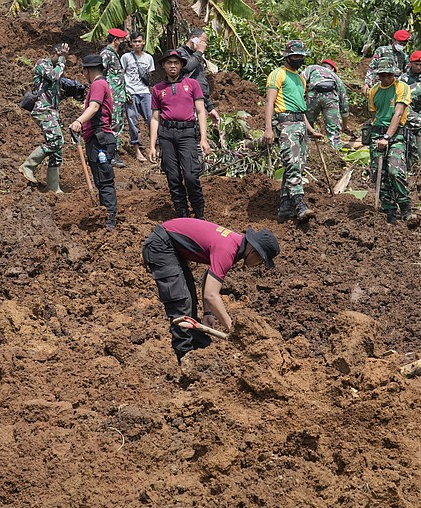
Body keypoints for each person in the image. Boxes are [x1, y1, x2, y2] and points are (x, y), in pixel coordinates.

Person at [142, 218, 280, 366]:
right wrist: (233, 329)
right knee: (181, 305)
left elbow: (209, 279)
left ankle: (201, 352)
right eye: (261, 261)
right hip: (162, 245)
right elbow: (211, 295)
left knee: (190, 301)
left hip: (173, 248)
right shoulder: (228, 249)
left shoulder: (234, 244)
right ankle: (186, 362)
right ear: (254, 251)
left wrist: (208, 314)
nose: (258, 265)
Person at [264, 40, 324, 223]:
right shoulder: (277, 75)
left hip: (299, 124)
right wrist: (267, 128)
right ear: (287, 57)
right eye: (295, 56)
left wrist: (311, 130)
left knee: (298, 166)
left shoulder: (300, 80)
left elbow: (301, 109)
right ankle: (299, 205)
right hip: (286, 124)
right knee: (292, 165)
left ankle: (285, 207)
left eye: (301, 56)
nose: (298, 59)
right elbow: (269, 102)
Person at [148, 50, 211, 219]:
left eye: (176, 62)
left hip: (187, 133)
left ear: (182, 65)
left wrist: (203, 138)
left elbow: (201, 111)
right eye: (169, 63)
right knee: (173, 177)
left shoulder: (192, 84)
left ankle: (199, 213)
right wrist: (152, 145)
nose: (173, 66)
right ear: (163, 66)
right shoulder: (157, 89)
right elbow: (155, 118)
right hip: (167, 134)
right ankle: (182, 213)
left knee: (191, 175)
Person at [69, 54, 118, 229]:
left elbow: (94, 107)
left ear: (87, 70)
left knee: (104, 180)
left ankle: (110, 220)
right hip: (97, 138)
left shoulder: (98, 84)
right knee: (100, 179)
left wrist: (78, 121)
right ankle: (106, 215)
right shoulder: (101, 84)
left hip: (100, 139)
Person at [367, 58, 413, 225]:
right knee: (379, 174)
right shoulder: (373, 91)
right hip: (376, 135)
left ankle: (405, 207)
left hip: (395, 136)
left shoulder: (402, 87)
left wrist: (387, 137)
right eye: (382, 75)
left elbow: (398, 113)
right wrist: (378, 136)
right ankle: (389, 210)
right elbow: (374, 115)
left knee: (395, 171)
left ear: (394, 74)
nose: (386, 78)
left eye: (388, 75)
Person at [19, 42, 70, 192]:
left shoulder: (56, 68)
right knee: (56, 141)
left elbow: (55, 92)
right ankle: (27, 166)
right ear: (55, 51)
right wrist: (62, 60)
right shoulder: (42, 64)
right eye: (62, 54)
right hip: (42, 110)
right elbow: (53, 76)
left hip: (52, 111)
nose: (64, 59)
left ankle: (54, 187)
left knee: (57, 149)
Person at [121, 31, 155, 163]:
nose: (137, 44)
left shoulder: (149, 58)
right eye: (134, 42)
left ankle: (154, 146)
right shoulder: (126, 57)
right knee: (132, 120)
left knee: (151, 119)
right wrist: (125, 92)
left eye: (139, 41)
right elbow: (122, 75)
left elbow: (150, 77)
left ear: (144, 42)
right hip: (131, 92)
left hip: (145, 92)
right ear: (130, 43)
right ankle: (137, 149)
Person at [302, 59, 349, 150]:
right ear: (332, 69)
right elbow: (344, 104)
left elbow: (300, 80)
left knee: (307, 125)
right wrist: (344, 125)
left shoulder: (312, 68)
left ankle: (308, 149)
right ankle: (336, 152)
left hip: (313, 96)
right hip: (331, 99)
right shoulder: (335, 77)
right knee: (333, 131)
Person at [179, 29, 221, 128]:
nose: (204, 45)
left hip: (199, 101)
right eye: (203, 42)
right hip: (186, 101)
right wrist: (199, 51)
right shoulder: (180, 53)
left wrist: (210, 107)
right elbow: (187, 67)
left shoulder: (197, 58)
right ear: (194, 38)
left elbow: (201, 84)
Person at [100, 28, 128, 167]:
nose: (124, 43)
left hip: (118, 96)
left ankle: (112, 153)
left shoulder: (114, 55)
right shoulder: (106, 54)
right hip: (112, 97)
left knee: (117, 123)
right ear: (116, 40)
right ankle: (110, 154)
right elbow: (100, 74)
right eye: (122, 40)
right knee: (113, 124)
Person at [362, 29, 410, 95]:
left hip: (396, 86)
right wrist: (367, 83)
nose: (401, 46)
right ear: (394, 40)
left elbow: (407, 72)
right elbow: (372, 67)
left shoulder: (404, 56)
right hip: (381, 83)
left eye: (404, 45)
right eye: (400, 44)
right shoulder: (381, 51)